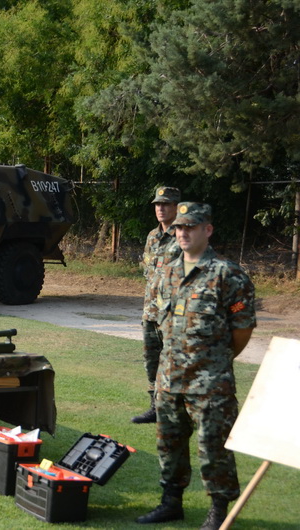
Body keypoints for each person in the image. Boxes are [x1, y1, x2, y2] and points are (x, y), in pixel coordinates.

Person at [136, 202, 256, 530]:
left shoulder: (227, 274)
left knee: (213, 445)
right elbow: (157, 325)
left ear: (208, 230)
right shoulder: (165, 273)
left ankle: (218, 510)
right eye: (179, 227)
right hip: (169, 377)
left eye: (191, 226)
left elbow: (242, 328)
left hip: (210, 382)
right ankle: (170, 502)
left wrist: (215, 360)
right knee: (169, 442)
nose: (183, 232)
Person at [133, 186, 182, 423]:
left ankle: (176, 410)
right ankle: (155, 408)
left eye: (166, 204)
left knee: (174, 362)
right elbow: (148, 271)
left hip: (174, 315)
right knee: (151, 362)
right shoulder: (152, 236)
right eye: (157, 204)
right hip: (151, 312)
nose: (160, 208)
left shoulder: (184, 235)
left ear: (176, 207)